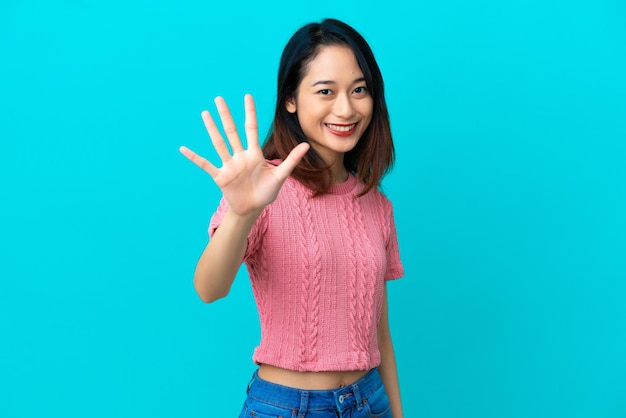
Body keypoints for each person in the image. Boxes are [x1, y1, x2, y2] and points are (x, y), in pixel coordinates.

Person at [180, 18, 404, 418]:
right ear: (290, 99)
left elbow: (380, 335)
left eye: (359, 90)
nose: (346, 108)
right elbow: (208, 288)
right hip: (287, 406)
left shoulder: (376, 204)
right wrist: (243, 212)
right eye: (325, 91)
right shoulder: (261, 187)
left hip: (370, 401)